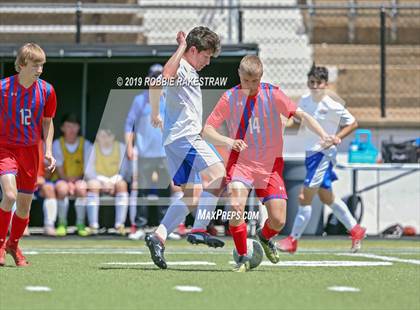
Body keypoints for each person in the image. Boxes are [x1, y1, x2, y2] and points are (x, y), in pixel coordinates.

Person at [203, 55, 335, 272]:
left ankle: (264, 238)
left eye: (255, 81)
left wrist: (324, 135)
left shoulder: (272, 94)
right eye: (246, 81)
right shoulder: (229, 97)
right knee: (236, 207)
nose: (250, 86)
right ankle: (243, 255)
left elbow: (302, 115)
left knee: (278, 220)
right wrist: (228, 141)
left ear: (261, 77)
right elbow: (207, 129)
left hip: (269, 167)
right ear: (239, 75)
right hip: (241, 164)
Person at [145, 26, 226, 269]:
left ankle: (158, 235)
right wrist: (180, 47)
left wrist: (156, 113)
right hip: (185, 137)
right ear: (193, 50)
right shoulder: (182, 65)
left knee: (192, 196)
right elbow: (162, 78)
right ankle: (200, 228)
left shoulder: (188, 69)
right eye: (206, 55)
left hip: (175, 140)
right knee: (219, 175)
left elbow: (154, 86)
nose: (208, 62)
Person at [277, 64, 366, 254]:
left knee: (303, 197)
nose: (315, 86)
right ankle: (355, 229)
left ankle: (293, 240)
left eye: (319, 83)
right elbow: (298, 120)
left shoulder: (332, 105)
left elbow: (353, 123)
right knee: (328, 198)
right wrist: (283, 122)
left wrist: (337, 137)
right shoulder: (305, 100)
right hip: (310, 154)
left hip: (323, 154)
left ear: (326, 84)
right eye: (312, 82)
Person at [0, 43, 56, 267]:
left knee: (24, 207)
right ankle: (0, 245)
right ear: (22, 65)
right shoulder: (3, 88)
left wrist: (49, 150)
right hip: (6, 149)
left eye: (42, 65)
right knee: (10, 196)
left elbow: (47, 123)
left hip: (31, 152)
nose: (40, 70)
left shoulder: (47, 91)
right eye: (35, 65)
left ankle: (13, 244)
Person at [124, 64, 184, 240]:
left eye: (160, 76)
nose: (157, 79)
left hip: (165, 153)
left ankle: (164, 228)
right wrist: (129, 147)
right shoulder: (139, 100)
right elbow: (129, 124)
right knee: (142, 190)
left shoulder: (170, 98)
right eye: (154, 76)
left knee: (166, 190)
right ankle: (140, 227)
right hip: (144, 153)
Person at [52, 113, 92, 237]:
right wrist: (68, 182)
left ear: (78, 128)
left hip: (79, 179)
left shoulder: (86, 144)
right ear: (62, 128)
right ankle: (62, 223)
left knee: (81, 188)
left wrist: (76, 181)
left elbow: (87, 168)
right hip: (61, 179)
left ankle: (80, 224)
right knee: (62, 189)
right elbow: (59, 169)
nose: (71, 129)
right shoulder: (57, 144)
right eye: (68, 126)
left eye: (74, 126)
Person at [85, 128, 130, 235]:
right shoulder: (92, 148)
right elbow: (88, 171)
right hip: (98, 181)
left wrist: (112, 182)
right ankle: (93, 225)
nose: (105, 139)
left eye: (108, 136)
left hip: (115, 181)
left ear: (113, 137)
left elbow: (124, 171)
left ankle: (120, 225)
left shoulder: (120, 147)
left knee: (122, 185)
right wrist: (104, 182)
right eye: (102, 136)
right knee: (92, 185)